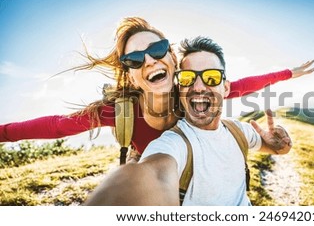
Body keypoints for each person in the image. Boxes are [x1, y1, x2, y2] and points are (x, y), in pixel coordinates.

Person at [0, 17, 314, 161]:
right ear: (131, 76)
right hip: (147, 163)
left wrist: (289, 73)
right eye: (135, 59)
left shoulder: (193, 94)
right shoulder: (120, 110)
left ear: (173, 59)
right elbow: (57, 126)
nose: (149, 59)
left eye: (158, 48)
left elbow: (243, 86)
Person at [84, 36, 292, 206]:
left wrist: (279, 145)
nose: (199, 87)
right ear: (179, 88)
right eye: (187, 78)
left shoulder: (238, 131)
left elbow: (277, 149)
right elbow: (153, 175)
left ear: (226, 88)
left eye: (211, 78)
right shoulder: (173, 144)